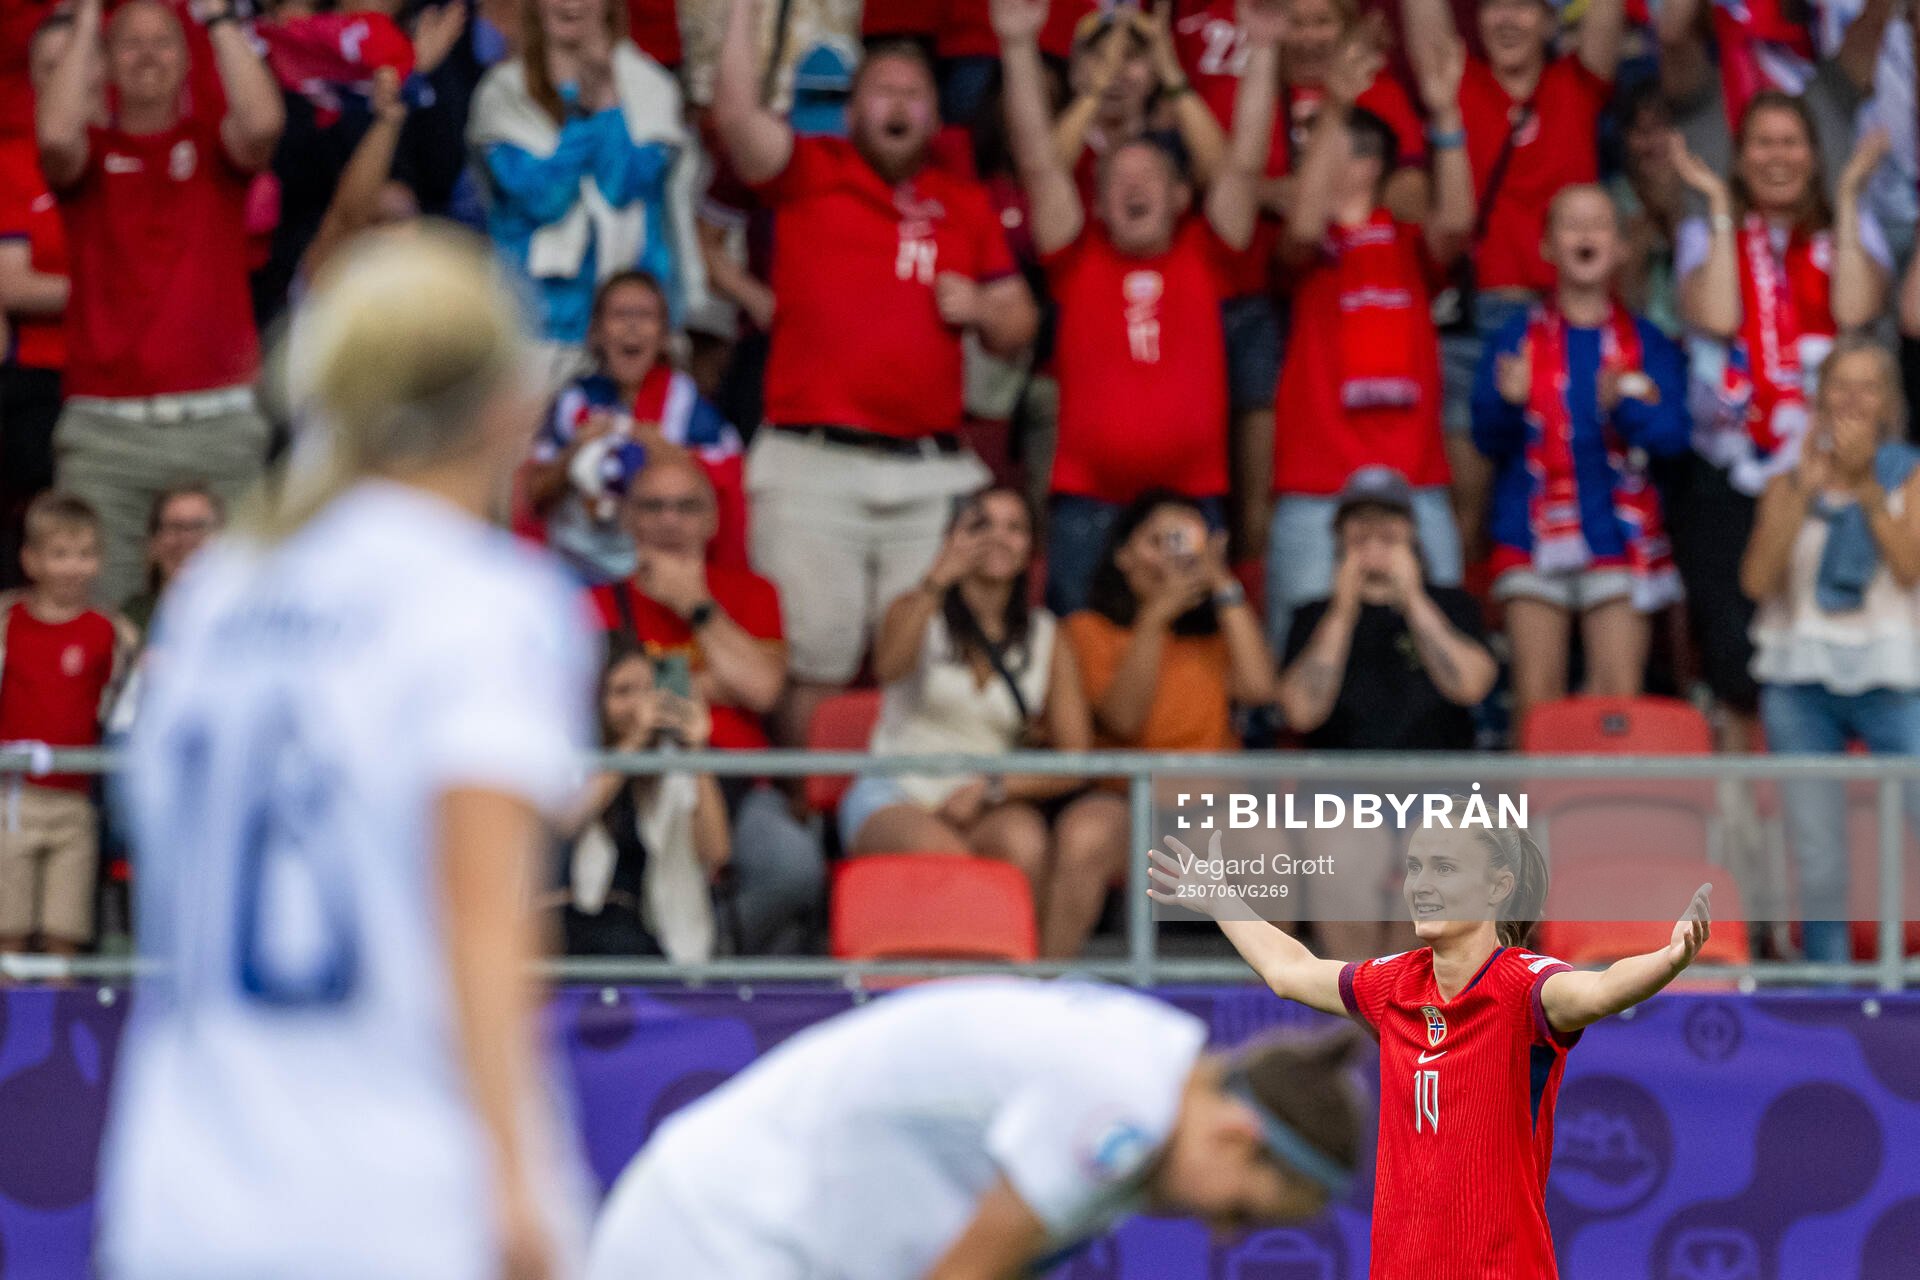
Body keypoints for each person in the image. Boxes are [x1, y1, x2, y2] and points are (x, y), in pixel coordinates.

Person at [99, 231, 595, 1280]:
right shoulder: (482, 600)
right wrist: (523, 1185)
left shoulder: (220, 593)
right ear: (503, 404)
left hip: (180, 1191)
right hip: (391, 1191)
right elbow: (479, 914)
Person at [1152, 823, 1714, 1280]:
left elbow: (1601, 989)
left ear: (1498, 887)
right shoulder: (1392, 984)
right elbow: (1290, 971)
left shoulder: (1525, 986)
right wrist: (1223, 899)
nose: (1423, 883)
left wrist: (1668, 960)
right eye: (1416, 868)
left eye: (1445, 869)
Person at [711, 0, 1039, 747]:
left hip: (927, 474)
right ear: (854, 109)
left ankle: (897, 818)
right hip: (810, 465)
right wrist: (738, 16)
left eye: (914, 94)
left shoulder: (963, 199)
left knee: (925, 664)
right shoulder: (810, 171)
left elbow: (1020, 324)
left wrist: (986, 308)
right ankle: (809, 839)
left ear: (934, 116)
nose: (899, 105)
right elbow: (735, 118)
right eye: (883, 91)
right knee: (812, 662)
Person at [585, 977, 1366, 1280]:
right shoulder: (1125, 1105)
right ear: (1234, 1132)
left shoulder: (1153, 1067)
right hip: (714, 1239)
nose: (1224, 1233)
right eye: (1242, 1209)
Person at [995, 0, 1280, 614]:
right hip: (1086, 503)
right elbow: (1041, 165)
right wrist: (1018, 49)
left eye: (1149, 177)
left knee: (1191, 660)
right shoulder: (1077, 257)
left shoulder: (1208, 253)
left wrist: (1263, 53)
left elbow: (1246, 164)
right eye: (1117, 180)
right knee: (1082, 656)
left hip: (1192, 498)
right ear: (1095, 204)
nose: (1133, 186)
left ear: (1182, 196)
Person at [35, 0, 284, 608]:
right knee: (92, 622)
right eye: (131, 44)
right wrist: (91, 12)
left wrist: (219, 18)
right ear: (106, 64)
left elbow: (263, 125)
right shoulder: (86, 157)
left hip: (219, 424)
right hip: (105, 434)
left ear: (187, 60)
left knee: (245, 612)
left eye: (163, 43)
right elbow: (55, 134)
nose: (147, 55)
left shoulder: (214, 146)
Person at [1174, 0, 1435, 557]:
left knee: (1291, 478)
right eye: (1298, 20)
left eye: (1325, 22)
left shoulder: (1378, 90)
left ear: (1347, 30)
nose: (1311, 36)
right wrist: (1291, 196)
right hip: (1241, 291)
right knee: (1243, 484)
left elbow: (1412, 195)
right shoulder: (1247, 88)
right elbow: (1215, 183)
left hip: (1331, 297)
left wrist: (1284, 195)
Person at [1668, 97, 1890, 748]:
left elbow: (1854, 307)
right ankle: (1744, 819)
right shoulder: (1703, 234)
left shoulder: (1850, 227)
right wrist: (1716, 208)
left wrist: (1848, 198)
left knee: (1833, 645)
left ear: (1814, 155)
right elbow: (1712, 314)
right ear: (1739, 158)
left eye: (1792, 142)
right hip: (1732, 472)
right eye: (1762, 143)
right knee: (1737, 654)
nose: (1777, 157)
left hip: (1834, 471)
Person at [1264, 35, 1472, 650]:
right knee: (1300, 650)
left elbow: (1457, 223)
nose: (1310, 165)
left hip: (1414, 477)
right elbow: (1302, 222)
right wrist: (1331, 109)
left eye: (1326, 152)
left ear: (1369, 165)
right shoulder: (1310, 251)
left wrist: (1447, 116)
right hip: (1316, 479)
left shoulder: (1408, 243)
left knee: (1439, 640)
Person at [1401, 0, 1628, 560]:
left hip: (1565, 324)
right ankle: (1474, 637)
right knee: (1464, 509)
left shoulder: (1576, 83)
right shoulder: (1457, 81)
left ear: (1552, 21)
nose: (1507, 19)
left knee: (1572, 497)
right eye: (1493, 5)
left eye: (1525, 7)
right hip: (1473, 324)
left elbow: (1606, 15)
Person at [1472, 185, 1691, 727]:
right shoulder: (1513, 337)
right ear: (1547, 246)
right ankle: (1531, 816)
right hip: (1530, 536)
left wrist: (1626, 410)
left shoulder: (1648, 342)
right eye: (1572, 223)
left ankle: (1603, 817)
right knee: (1535, 705)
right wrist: (1509, 404)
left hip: (1619, 539)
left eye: (1600, 224)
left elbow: (1673, 439)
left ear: (1619, 247)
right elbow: (1485, 439)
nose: (1587, 234)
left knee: (1615, 704)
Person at [588, 453, 823, 955]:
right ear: (627, 517)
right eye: (653, 506)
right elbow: (600, 700)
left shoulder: (752, 593)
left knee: (793, 865)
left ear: (713, 518)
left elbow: (762, 688)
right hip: (635, 775)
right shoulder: (598, 602)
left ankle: (697, 960)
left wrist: (694, 605)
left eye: (686, 506)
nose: (670, 520)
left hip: (733, 772)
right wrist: (718, 679)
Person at [1739, 337, 1920, 964]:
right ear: (1818, 400)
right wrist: (1801, 495)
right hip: (1800, 681)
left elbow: (1909, 567)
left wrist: (1868, 486)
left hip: (1895, 680)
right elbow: (1757, 583)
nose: (1852, 400)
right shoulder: (1787, 482)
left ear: (1889, 404)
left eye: (1868, 386)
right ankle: (1829, 989)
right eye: (1840, 385)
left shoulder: (1911, 475)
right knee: (1816, 854)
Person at [1052, 489, 1274, 957]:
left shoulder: (1215, 636)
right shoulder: (1087, 629)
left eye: (1185, 542)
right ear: (1124, 556)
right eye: (1158, 541)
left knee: (1262, 841)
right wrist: (1155, 617)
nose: (1173, 557)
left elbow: (1259, 690)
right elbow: (1124, 719)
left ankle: (1283, 1004)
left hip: (1213, 808)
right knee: (1083, 833)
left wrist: (1222, 584)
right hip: (1125, 803)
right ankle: (1044, 989)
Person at [843, 488, 1093, 893]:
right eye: (982, 525)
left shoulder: (1048, 635)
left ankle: (1026, 958)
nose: (998, 537)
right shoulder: (914, 607)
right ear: (952, 536)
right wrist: (937, 579)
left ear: (1030, 548)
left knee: (1025, 844)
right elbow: (888, 669)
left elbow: (1076, 760)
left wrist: (994, 788)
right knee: (946, 859)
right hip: (894, 791)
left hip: (984, 799)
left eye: (1015, 528)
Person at [470, 0, 706, 373]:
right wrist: (583, 119)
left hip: (630, 343)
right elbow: (542, 199)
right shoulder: (503, 92)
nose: (570, 4)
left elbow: (622, 189)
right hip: (531, 335)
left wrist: (608, 98)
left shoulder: (651, 89)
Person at [527, 270, 747, 583]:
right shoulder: (574, 399)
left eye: (645, 315)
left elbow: (724, 495)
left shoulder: (685, 402)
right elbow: (533, 494)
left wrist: (660, 450)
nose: (632, 325)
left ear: (663, 336)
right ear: (596, 332)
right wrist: (574, 451)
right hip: (575, 576)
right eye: (619, 314)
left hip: (658, 577)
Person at [0, 493, 135, 958]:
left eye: (85, 554)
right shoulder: (6, 621)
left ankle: (61, 1027)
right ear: (30, 560)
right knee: (8, 933)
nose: (74, 567)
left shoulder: (111, 630)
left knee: (66, 934)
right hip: (12, 799)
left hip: (77, 804)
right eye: (60, 555)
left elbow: (124, 708)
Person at [1279, 467, 1496, 751]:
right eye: (1360, 518)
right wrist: (1342, 613)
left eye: (1388, 516)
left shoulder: (1453, 604)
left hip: (1440, 786)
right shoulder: (1313, 615)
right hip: (1343, 788)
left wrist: (1414, 600)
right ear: (1339, 532)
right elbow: (1300, 714)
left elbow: (1471, 688)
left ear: (1411, 529)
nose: (1374, 529)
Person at [550, 644, 730, 960]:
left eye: (649, 690)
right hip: (560, 930)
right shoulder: (565, 750)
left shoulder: (674, 765)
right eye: (623, 692)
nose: (640, 704)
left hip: (640, 938)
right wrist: (633, 741)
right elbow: (563, 821)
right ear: (595, 700)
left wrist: (697, 753)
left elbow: (716, 851)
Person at [0, 15, 79, 594]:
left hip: (129, 378)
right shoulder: (11, 164)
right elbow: (13, 286)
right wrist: (117, 290)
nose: (63, 80)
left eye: (74, 63)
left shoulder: (135, 150)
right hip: (40, 378)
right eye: (49, 69)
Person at [122, 483, 224, 638]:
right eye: (175, 527)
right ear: (153, 544)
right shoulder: (126, 623)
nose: (187, 539)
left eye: (198, 526)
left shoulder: (245, 616)